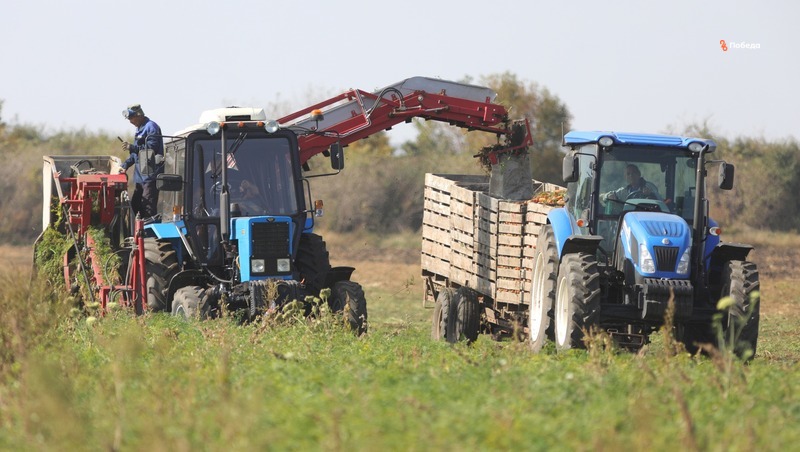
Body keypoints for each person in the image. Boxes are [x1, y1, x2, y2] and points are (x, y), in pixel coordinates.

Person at [119, 104, 164, 219]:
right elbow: (135, 155)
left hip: (150, 176)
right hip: (140, 177)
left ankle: (148, 236)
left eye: (131, 118)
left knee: (147, 208)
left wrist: (132, 147)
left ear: (139, 116)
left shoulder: (151, 127)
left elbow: (150, 150)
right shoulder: (139, 129)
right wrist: (125, 165)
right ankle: (137, 233)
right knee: (135, 205)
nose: (130, 121)